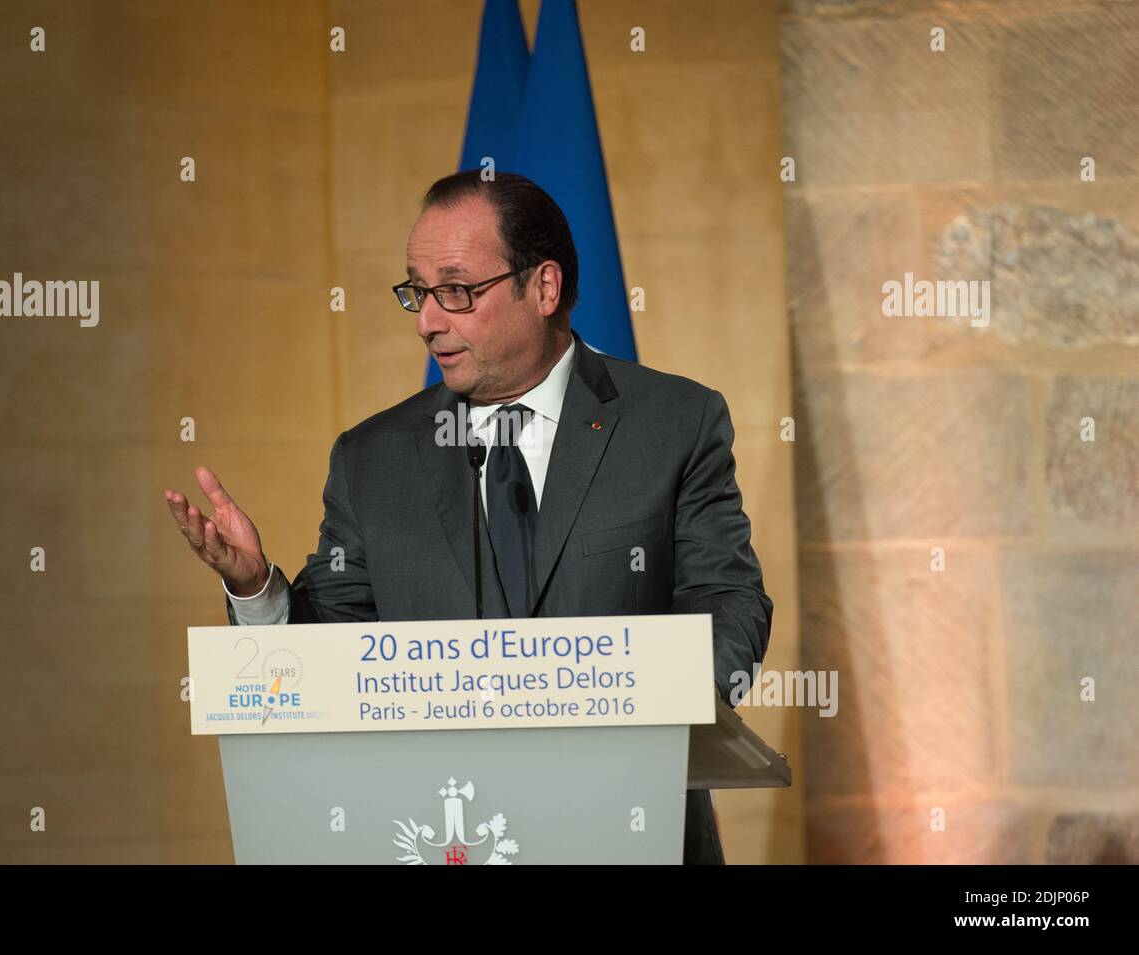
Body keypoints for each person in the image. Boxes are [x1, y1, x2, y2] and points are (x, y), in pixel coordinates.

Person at [164, 170, 773, 864]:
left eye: (456, 290)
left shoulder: (672, 424)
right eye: (417, 292)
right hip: (445, 836)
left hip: (631, 826)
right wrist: (256, 590)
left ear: (543, 287)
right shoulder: (373, 460)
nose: (428, 320)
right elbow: (327, 654)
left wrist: (662, 713)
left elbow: (726, 596)